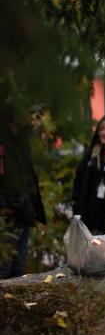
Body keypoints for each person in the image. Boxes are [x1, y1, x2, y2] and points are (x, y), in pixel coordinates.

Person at [0, 114, 46, 278]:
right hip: (7, 215)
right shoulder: (3, 142)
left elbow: (29, 178)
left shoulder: (22, 142)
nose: (30, 117)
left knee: (18, 267)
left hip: (24, 212)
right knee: (3, 267)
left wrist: (32, 208)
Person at [72, 112, 105, 234]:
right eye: (101, 129)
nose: (103, 132)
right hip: (90, 217)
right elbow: (79, 181)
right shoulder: (92, 155)